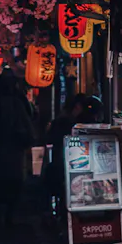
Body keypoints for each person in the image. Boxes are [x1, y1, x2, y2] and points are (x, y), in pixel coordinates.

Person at [0, 70, 34, 228]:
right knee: (13, 183)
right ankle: (8, 215)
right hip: (14, 149)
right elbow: (28, 123)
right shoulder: (18, 102)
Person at [45, 93, 89, 223]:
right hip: (65, 160)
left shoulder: (62, 119)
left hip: (61, 159)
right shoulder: (69, 121)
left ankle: (63, 218)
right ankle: (65, 219)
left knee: (64, 191)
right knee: (66, 190)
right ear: (78, 106)